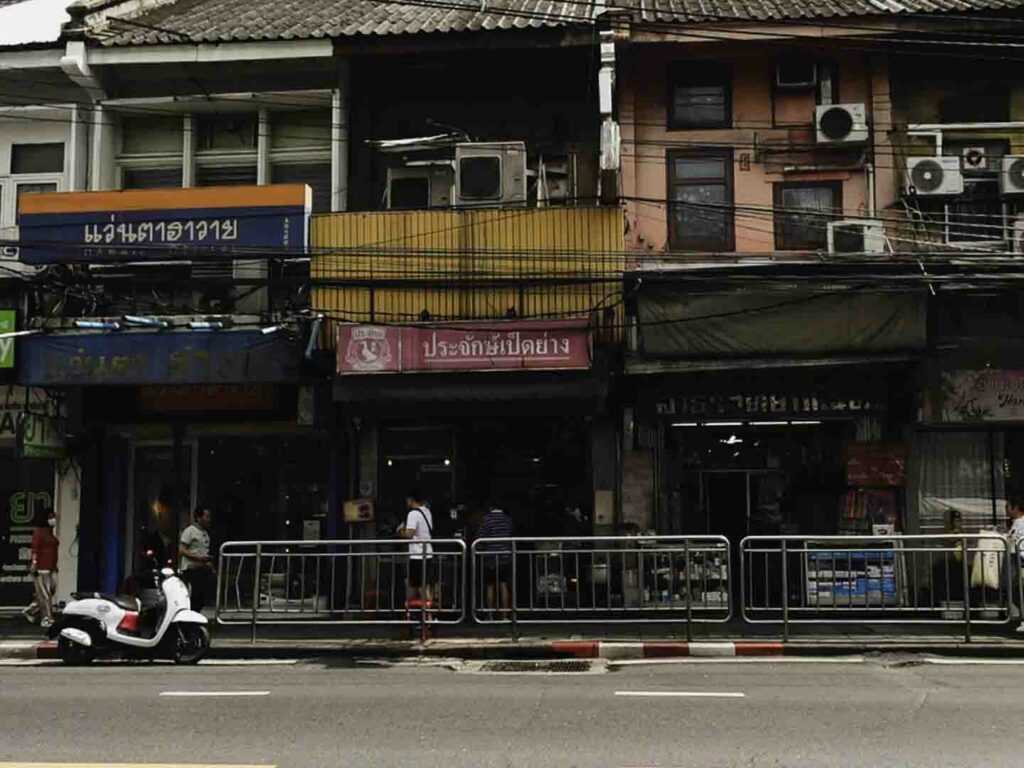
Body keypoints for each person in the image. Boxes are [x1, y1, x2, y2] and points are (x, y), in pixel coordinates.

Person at [23, 508, 59, 629]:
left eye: (54, 517)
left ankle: (31, 610)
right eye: (51, 517)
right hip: (42, 568)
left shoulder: (49, 532)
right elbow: (35, 549)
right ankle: (47, 618)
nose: (53, 520)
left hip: (52, 567)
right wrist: (34, 563)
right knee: (45, 594)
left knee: (51, 590)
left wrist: (55, 566)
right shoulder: (39, 532)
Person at [397, 490, 434, 606]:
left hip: (417, 555)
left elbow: (409, 534)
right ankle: (425, 614)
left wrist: (399, 531)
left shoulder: (413, 514)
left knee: (417, 586)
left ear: (411, 500)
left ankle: (422, 614)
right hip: (428, 553)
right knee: (424, 585)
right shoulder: (427, 511)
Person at [476, 504, 515, 614]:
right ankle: (505, 615)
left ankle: (490, 615)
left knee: (490, 586)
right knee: (503, 584)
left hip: (490, 557)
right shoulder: (507, 519)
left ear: (490, 508)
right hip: (505, 556)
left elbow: (480, 537)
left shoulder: (486, 520)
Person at [179, 506, 215, 613]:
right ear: (199, 518)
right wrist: (198, 558)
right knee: (195, 596)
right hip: (192, 569)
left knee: (201, 596)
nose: (208, 519)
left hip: (202, 568)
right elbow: (182, 550)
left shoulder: (205, 534)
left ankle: (196, 616)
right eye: (206, 516)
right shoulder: (190, 531)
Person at [1008, 498, 1024, 631]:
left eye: (1008, 506)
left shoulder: (1020, 522)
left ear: (1016, 507)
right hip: (1016, 558)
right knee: (1016, 590)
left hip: (1020, 559)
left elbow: (1015, 541)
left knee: (1017, 590)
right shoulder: (1016, 523)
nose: (1007, 510)